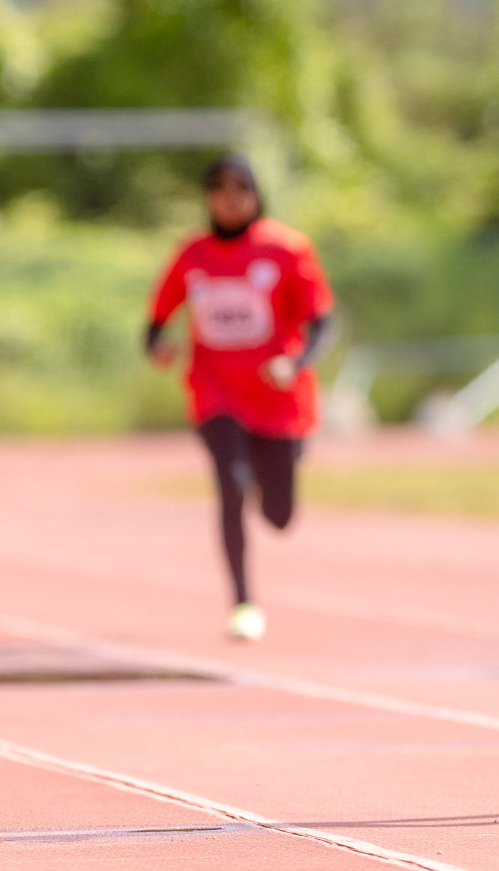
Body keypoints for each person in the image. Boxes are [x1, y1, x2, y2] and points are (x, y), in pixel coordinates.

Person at [145, 156, 333, 641]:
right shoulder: (191, 256)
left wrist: (295, 363)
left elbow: (322, 321)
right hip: (216, 391)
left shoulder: (287, 249)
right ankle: (243, 602)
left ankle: (269, 480)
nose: (230, 198)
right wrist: (158, 346)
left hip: (277, 397)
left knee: (279, 516)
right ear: (207, 197)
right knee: (230, 485)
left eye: (240, 188)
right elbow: (156, 322)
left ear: (255, 194)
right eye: (219, 189)